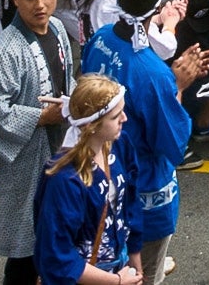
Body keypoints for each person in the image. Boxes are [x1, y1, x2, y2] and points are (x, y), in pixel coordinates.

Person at [80, 0, 209, 285]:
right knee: (143, 276)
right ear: (155, 8)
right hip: (144, 194)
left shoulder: (99, 39)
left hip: (101, 175)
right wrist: (178, 86)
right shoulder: (152, 73)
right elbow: (173, 144)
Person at [0, 0, 78, 285]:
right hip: (25, 160)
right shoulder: (2, 53)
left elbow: (67, 80)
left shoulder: (59, 29)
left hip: (60, 146)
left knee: (57, 234)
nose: (40, 4)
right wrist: (41, 117)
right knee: (26, 246)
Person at [33, 71, 135, 285]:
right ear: (90, 126)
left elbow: (129, 209)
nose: (124, 119)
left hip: (119, 267)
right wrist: (116, 281)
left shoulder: (118, 144)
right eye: (116, 116)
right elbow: (56, 256)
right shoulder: (65, 181)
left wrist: (134, 264)